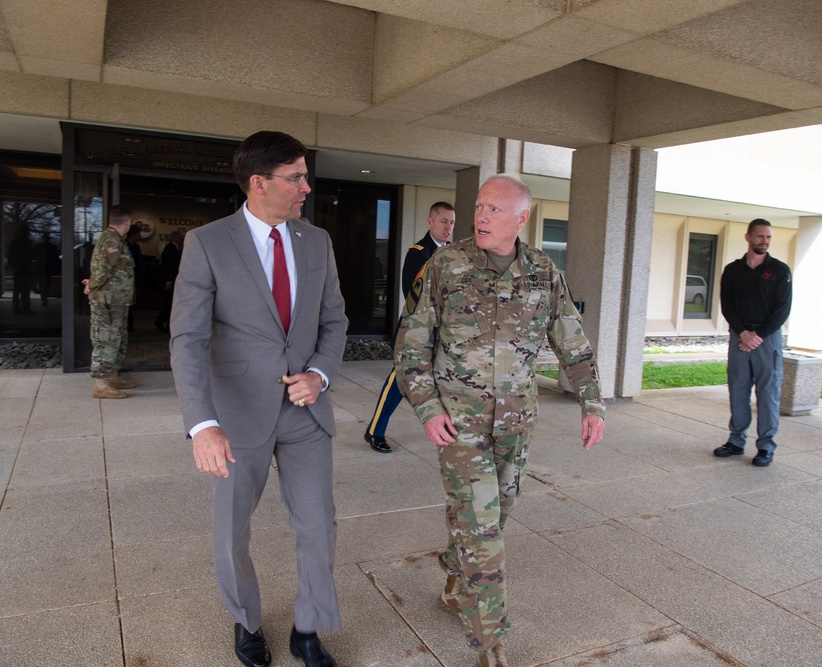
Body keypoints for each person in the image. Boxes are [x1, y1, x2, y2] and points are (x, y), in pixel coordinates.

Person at [394, 175, 605, 667]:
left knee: (494, 515)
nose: (481, 216)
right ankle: (491, 645)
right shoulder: (445, 265)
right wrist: (427, 409)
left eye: (494, 209)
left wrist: (592, 403)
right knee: (483, 530)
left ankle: (453, 572)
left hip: (516, 423)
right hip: (459, 422)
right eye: (479, 207)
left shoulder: (542, 271)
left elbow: (571, 341)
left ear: (521, 219)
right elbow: (411, 345)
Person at [169, 131, 347, 667]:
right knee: (232, 532)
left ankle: (308, 628)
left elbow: (335, 321)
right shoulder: (208, 243)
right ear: (258, 182)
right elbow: (188, 339)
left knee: (319, 526)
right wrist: (202, 424)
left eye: (304, 176)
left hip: (306, 413)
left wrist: (319, 373)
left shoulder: (316, 242)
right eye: (295, 177)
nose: (306, 188)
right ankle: (246, 622)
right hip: (237, 417)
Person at [364, 201, 456, 453]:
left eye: (451, 222)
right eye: (443, 221)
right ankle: (374, 431)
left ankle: (446, 427)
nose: (448, 227)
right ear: (430, 222)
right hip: (416, 332)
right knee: (398, 381)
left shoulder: (454, 253)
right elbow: (413, 295)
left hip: (443, 332)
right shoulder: (418, 253)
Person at [713, 218, 792, 467]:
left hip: (767, 339)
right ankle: (736, 441)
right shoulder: (733, 270)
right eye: (760, 236)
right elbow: (727, 306)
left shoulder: (780, 270)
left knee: (767, 393)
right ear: (748, 237)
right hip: (739, 337)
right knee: (738, 389)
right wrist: (743, 333)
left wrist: (757, 336)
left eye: (768, 237)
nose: (764, 241)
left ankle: (766, 446)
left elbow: (782, 309)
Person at [85, 207, 137, 399]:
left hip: (117, 301)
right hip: (108, 301)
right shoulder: (110, 240)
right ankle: (101, 384)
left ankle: (112, 376)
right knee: (106, 339)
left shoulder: (116, 240)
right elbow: (102, 270)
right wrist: (92, 285)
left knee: (117, 339)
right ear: (127, 222)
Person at [155, 229, 184, 332]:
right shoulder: (170, 249)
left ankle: (165, 321)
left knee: (171, 303)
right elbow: (169, 267)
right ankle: (162, 321)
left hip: (174, 280)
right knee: (170, 303)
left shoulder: (176, 249)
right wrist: (169, 281)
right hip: (170, 281)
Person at [7, 223, 35, 315]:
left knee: (17, 290)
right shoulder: (28, 242)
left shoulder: (14, 242)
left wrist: (12, 266)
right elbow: (30, 255)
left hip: (18, 268)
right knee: (25, 290)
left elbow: (10, 255)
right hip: (25, 268)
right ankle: (25, 308)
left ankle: (16, 308)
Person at [125, 223, 146, 332]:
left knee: (132, 300)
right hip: (125, 279)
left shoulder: (137, 247)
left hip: (135, 277)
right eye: (138, 233)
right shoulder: (124, 246)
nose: (140, 236)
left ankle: (130, 324)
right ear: (133, 234)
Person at [33, 231, 60, 307]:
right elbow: (56, 259)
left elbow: (34, 256)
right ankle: (44, 297)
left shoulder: (38, 246)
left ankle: (43, 297)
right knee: (46, 284)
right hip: (47, 268)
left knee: (42, 284)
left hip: (41, 268)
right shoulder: (52, 247)